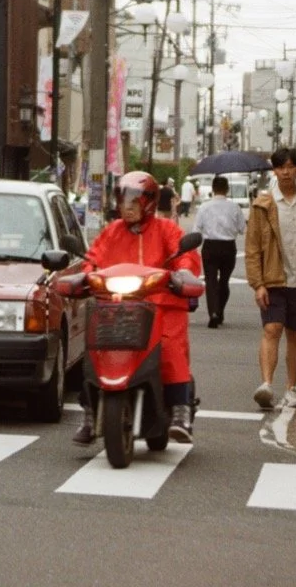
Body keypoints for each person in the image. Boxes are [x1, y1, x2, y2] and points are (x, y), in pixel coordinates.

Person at [73, 170, 201, 446]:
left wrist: (183, 274)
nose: (127, 207)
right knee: (95, 351)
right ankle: (89, 411)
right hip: (116, 306)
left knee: (170, 350)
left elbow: (185, 255)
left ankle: (181, 411)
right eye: (123, 201)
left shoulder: (167, 229)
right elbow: (93, 259)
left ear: (149, 202)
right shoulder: (111, 231)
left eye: (134, 201)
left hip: (161, 306)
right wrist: (85, 275)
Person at [245, 146, 296, 410]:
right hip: (273, 279)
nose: (286, 172)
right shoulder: (263, 206)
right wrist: (257, 284)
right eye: (281, 167)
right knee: (272, 328)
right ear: (274, 171)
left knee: (295, 333)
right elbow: (252, 248)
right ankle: (267, 385)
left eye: (290, 167)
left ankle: (292, 390)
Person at [195, 175, 245, 327]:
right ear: (227, 189)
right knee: (224, 281)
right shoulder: (235, 207)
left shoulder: (204, 207)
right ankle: (220, 310)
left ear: (212, 189)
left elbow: (196, 229)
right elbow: (242, 229)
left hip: (210, 245)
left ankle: (213, 313)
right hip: (228, 246)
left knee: (210, 280)